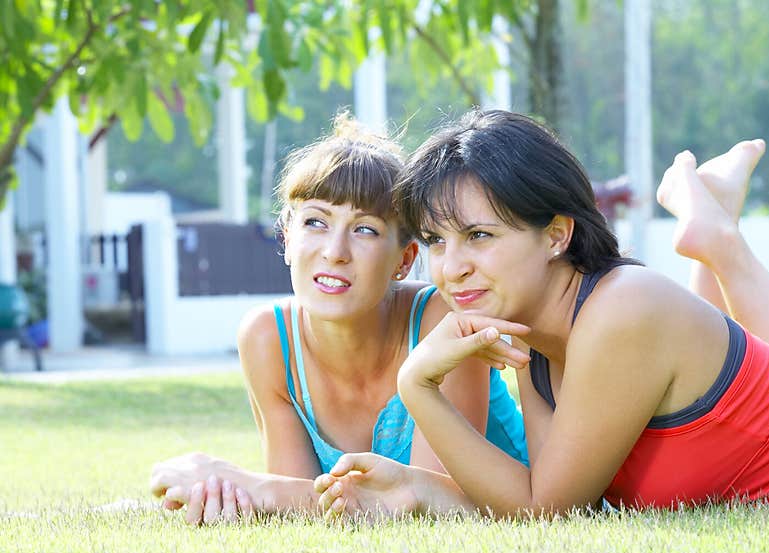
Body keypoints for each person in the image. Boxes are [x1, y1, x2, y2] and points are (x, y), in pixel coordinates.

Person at [313, 108, 769, 519]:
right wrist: (418, 487)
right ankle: (714, 236)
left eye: (478, 236)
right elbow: (546, 493)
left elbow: (544, 512)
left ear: (557, 234)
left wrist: (418, 386)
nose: (450, 267)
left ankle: (718, 239)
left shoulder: (622, 309)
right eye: (436, 240)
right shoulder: (536, 342)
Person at [149, 112, 528, 524]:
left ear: (404, 260)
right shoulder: (269, 339)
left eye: (365, 230)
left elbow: (426, 504)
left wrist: (252, 485)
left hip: (524, 503)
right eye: (315, 222)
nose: (334, 251)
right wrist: (229, 491)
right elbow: (307, 508)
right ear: (287, 238)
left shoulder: (443, 318)